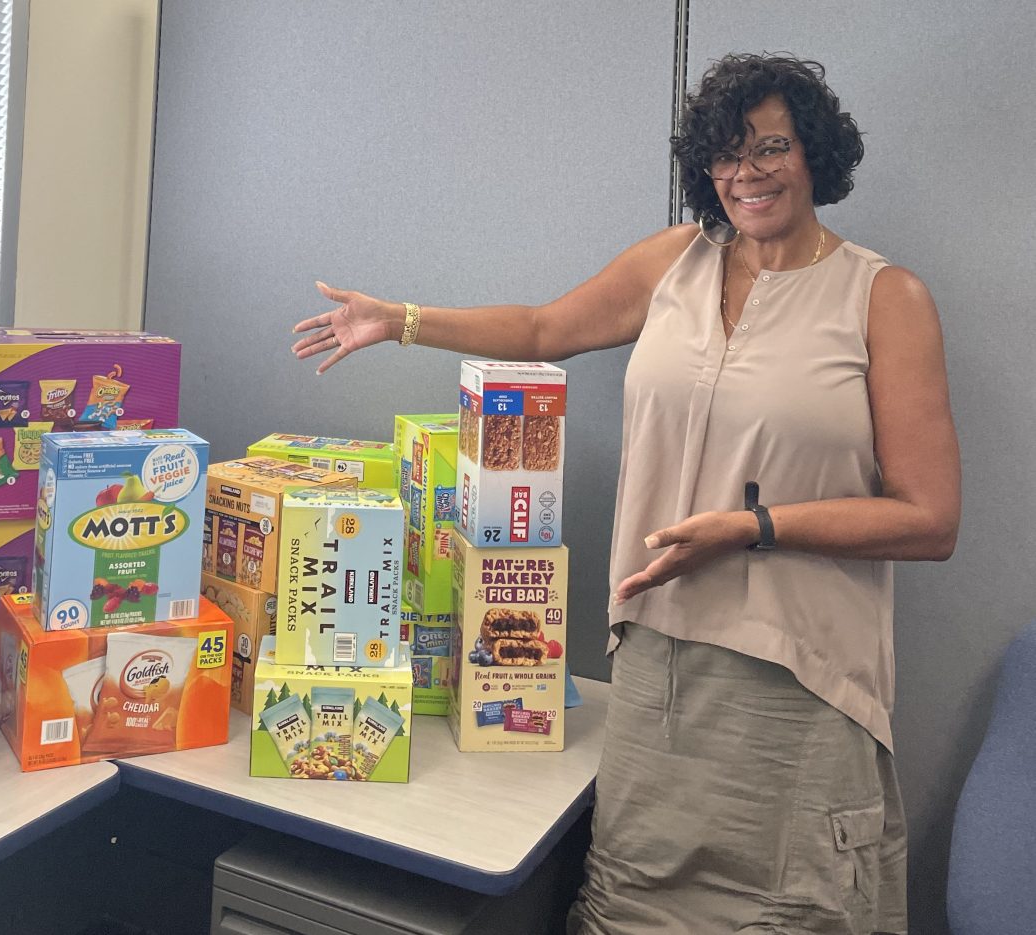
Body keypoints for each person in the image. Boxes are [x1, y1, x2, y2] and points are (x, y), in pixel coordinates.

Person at [291, 52, 960, 935]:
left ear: (815, 154)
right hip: (655, 660)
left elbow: (928, 517)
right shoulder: (676, 261)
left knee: (791, 911)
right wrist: (400, 320)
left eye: (770, 147)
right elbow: (541, 329)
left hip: (797, 680)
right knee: (626, 904)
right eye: (725, 154)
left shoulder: (883, 297)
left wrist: (753, 527)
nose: (746, 174)